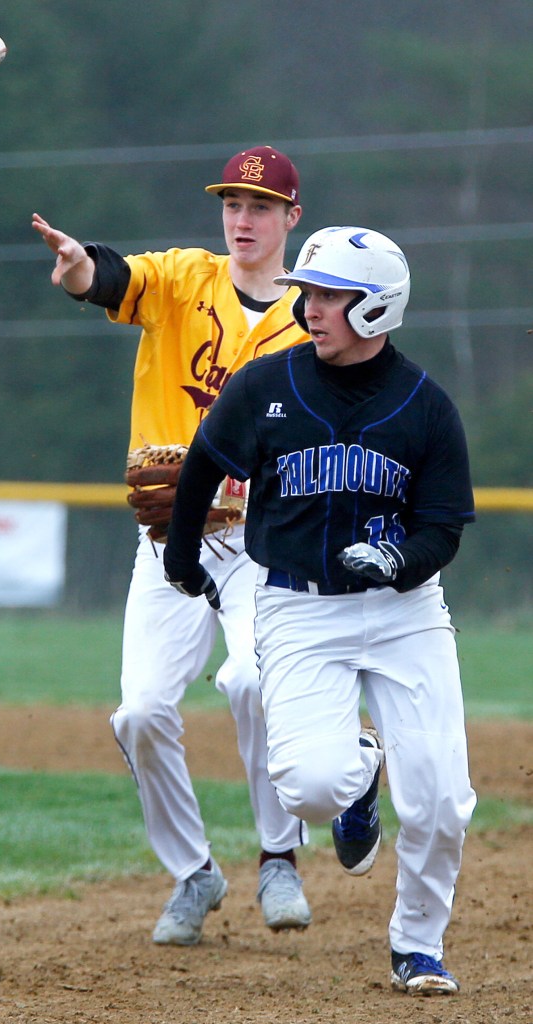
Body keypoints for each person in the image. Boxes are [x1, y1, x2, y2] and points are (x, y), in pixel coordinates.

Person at [163, 224, 478, 994]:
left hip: (405, 613)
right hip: (299, 610)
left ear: (377, 309)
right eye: (307, 292)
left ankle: (416, 947)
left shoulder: (425, 406)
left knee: (440, 800)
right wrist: (180, 552)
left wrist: (400, 558)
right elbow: (205, 459)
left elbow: (441, 526)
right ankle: (360, 771)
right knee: (307, 788)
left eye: (332, 295)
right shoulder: (267, 385)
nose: (312, 307)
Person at [32, 146, 318, 945]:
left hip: (264, 542)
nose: (242, 219)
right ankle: (193, 873)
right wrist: (80, 265)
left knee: (254, 681)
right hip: (168, 540)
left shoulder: (310, 318)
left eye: (260, 207)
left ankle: (278, 859)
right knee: (140, 713)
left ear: (291, 219)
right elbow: (116, 280)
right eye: (232, 203)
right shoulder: (187, 278)